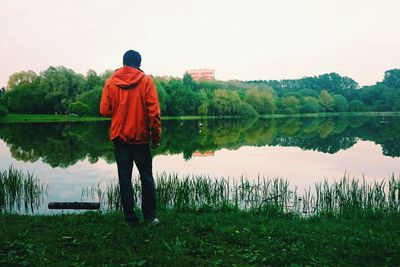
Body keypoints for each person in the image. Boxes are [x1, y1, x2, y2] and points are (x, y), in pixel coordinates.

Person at [100, 50, 161, 226]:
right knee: (147, 178)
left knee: (124, 179)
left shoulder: (111, 82)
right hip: (140, 138)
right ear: (139, 64)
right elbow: (154, 113)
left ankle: (130, 219)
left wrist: (119, 110)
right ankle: (149, 217)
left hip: (120, 138)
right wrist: (155, 137)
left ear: (123, 62)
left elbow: (104, 110)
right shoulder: (146, 81)